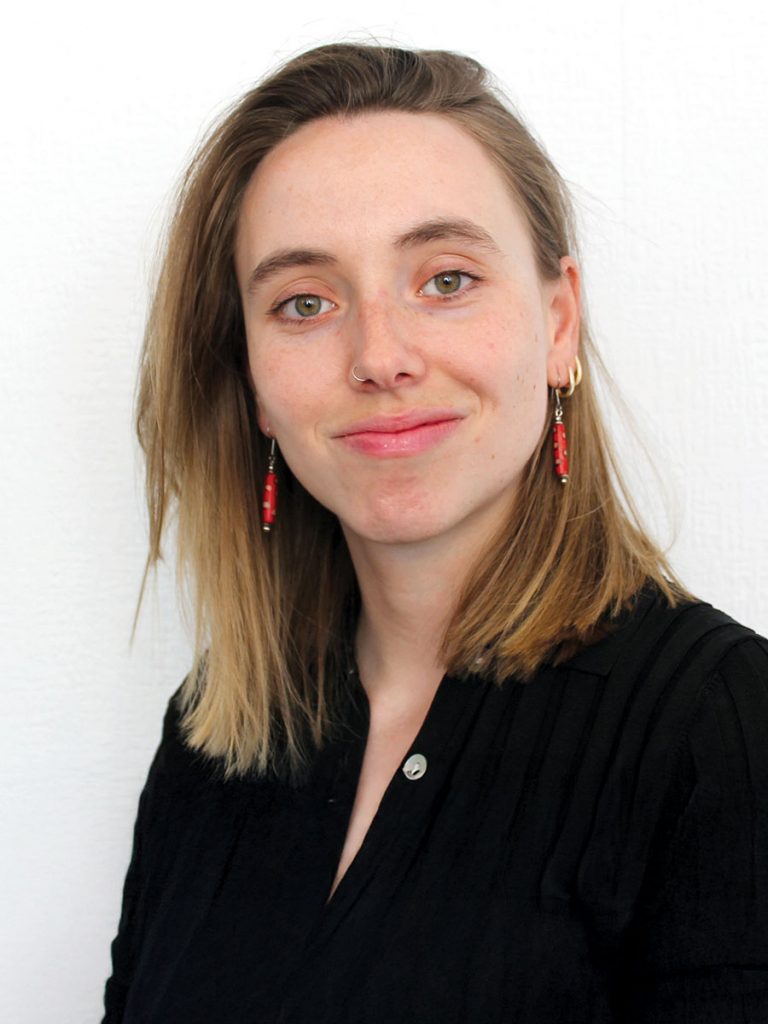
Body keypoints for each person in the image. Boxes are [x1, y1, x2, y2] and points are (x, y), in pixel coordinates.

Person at [102, 42, 768, 1023]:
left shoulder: (723, 730)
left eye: (446, 279)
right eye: (304, 302)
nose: (380, 355)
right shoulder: (213, 733)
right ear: (254, 384)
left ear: (558, 322)